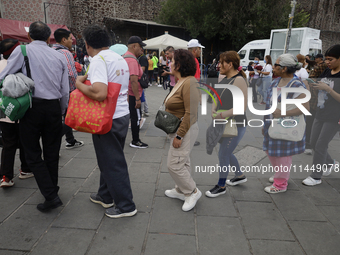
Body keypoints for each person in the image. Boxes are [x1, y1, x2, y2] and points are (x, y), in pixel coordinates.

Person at [0, 21, 69, 211]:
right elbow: (65, 91)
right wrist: (62, 111)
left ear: (29, 36)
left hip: (32, 107)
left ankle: (50, 194)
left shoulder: (22, 51)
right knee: (52, 152)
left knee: (32, 154)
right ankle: (52, 190)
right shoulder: (59, 56)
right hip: (54, 107)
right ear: (49, 38)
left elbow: (4, 75)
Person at [76, 24, 137, 218]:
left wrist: (78, 84)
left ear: (87, 44)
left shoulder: (98, 60)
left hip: (106, 118)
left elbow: (99, 93)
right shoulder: (117, 57)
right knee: (109, 158)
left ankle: (126, 205)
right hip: (120, 115)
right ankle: (105, 195)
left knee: (113, 162)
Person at [263, 54, 308, 193]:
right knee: (271, 152)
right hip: (271, 124)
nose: (273, 67)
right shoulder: (275, 82)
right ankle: (280, 175)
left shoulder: (296, 84)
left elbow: (305, 108)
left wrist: (282, 113)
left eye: (276, 65)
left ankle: (280, 184)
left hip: (286, 126)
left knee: (283, 155)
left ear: (284, 68)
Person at [205, 51, 248, 197]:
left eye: (221, 62)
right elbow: (217, 97)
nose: (218, 65)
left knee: (224, 153)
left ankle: (221, 185)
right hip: (222, 123)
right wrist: (213, 109)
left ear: (230, 64)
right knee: (226, 152)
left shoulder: (239, 80)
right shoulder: (224, 79)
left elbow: (241, 107)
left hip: (236, 124)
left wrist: (221, 114)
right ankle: (240, 175)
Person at [164, 49, 201, 212]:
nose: (170, 63)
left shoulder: (190, 82)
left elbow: (191, 112)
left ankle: (192, 191)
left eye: (172, 61)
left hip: (185, 129)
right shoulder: (181, 80)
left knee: (174, 164)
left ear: (179, 64)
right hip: (179, 127)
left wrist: (179, 135)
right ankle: (181, 189)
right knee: (183, 161)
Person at [302, 45, 340, 186]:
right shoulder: (326, 71)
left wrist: (328, 89)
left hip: (334, 116)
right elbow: (321, 87)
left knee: (321, 144)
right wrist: (314, 85)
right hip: (320, 112)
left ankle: (316, 176)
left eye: (331, 59)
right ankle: (330, 163)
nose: (327, 62)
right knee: (313, 142)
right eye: (326, 59)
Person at [0, 39, 33, 188]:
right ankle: (25, 170)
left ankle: (6, 177)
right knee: (25, 140)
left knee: (8, 144)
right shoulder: (19, 65)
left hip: (3, 111)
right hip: (21, 109)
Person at [53, 28, 84, 150]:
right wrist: (78, 88)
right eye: (71, 39)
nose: (72, 41)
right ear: (64, 39)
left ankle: (70, 140)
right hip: (68, 90)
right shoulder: (66, 53)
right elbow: (71, 74)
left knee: (66, 116)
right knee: (71, 117)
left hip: (54, 90)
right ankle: (54, 140)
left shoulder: (51, 51)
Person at [124, 36, 148, 148]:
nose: (141, 50)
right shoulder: (132, 61)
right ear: (134, 46)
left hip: (128, 93)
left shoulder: (124, 57)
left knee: (131, 117)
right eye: (140, 47)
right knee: (136, 118)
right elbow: (133, 81)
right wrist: (138, 98)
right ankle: (135, 140)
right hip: (133, 94)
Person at [303, 53, 328, 155]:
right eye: (327, 59)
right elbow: (311, 78)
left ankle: (315, 145)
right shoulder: (322, 67)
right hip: (315, 99)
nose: (328, 62)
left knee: (319, 125)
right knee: (310, 122)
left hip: (327, 103)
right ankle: (308, 144)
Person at [187, 39, 204, 147]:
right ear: (194, 50)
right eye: (199, 49)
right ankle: (190, 138)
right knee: (193, 116)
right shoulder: (195, 61)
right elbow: (196, 79)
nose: (200, 51)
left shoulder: (184, 59)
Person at [138, 52, 149, 117]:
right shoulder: (141, 57)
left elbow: (143, 69)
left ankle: (143, 110)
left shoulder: (143, 58)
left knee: (142, 95)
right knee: (143, 95)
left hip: (142, 79)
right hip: (142, 79)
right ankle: (145, 110)